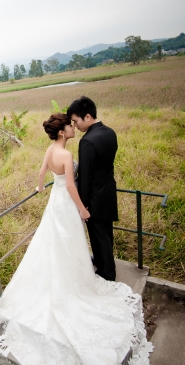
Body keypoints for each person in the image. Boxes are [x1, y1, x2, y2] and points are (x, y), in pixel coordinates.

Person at [0, 113, 152, 365]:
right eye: (70, 126)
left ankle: (58, 279)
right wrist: (83, 208)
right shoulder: (67, 155)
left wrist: (40, 188)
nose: (73, 128)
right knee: (69, 243)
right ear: (62, 132)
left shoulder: (50, 150)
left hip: (54, 204)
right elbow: (71, 186)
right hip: (67, 204)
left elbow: (41, 174)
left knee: (54, 243)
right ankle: (71, 284)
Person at [68, 96, 118, 281]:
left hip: (95, 197)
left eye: (76, 121)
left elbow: (85, 177)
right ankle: (105, 264)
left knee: (98, 236)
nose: (75, 125)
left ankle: (107, 273)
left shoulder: (87, 141)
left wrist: (82, 205)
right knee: (106, 234)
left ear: (87, 117)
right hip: (108, 191)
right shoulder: (110, 132)